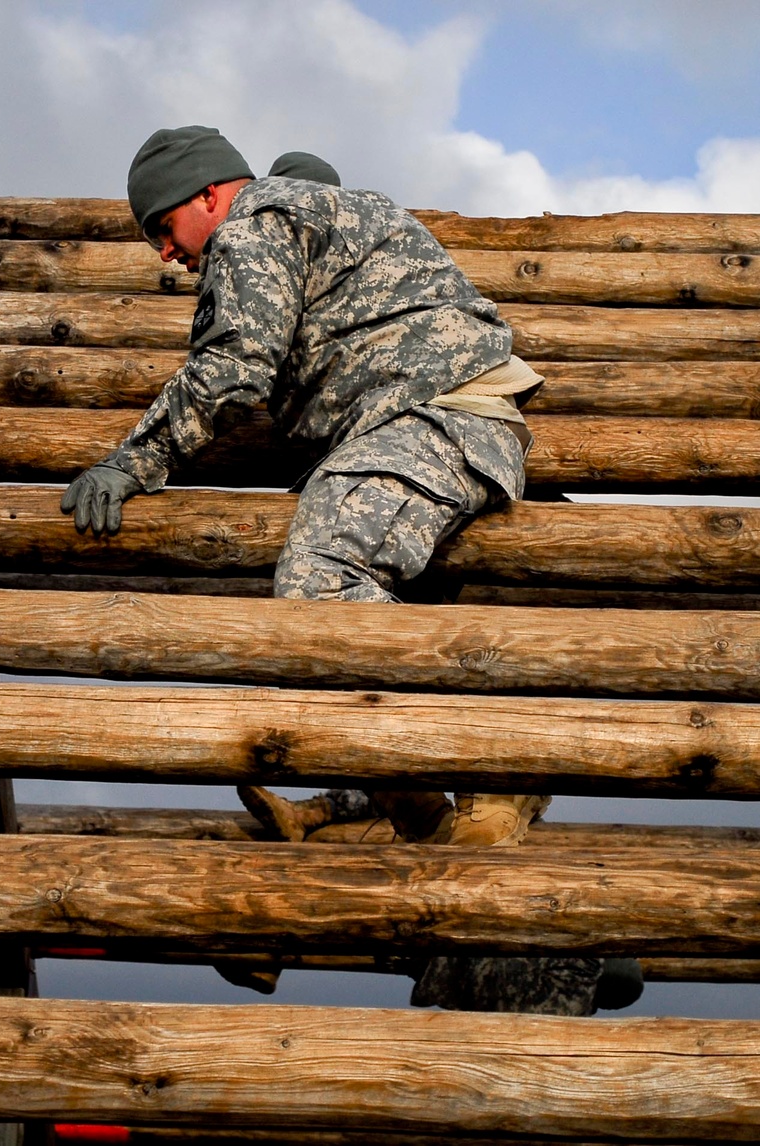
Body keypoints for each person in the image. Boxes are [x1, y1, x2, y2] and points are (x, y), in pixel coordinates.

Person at [61, 126, 635, 1012]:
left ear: (211, 193)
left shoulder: (259, 220)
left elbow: (235, 360)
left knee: (319, 594)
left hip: (428, 417)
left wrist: (131, 461)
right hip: (432, 417)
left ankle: (498, 782)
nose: (166, 253)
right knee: (352, 640)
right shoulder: (326, 221)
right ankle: (474, 878)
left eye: (162, 226)